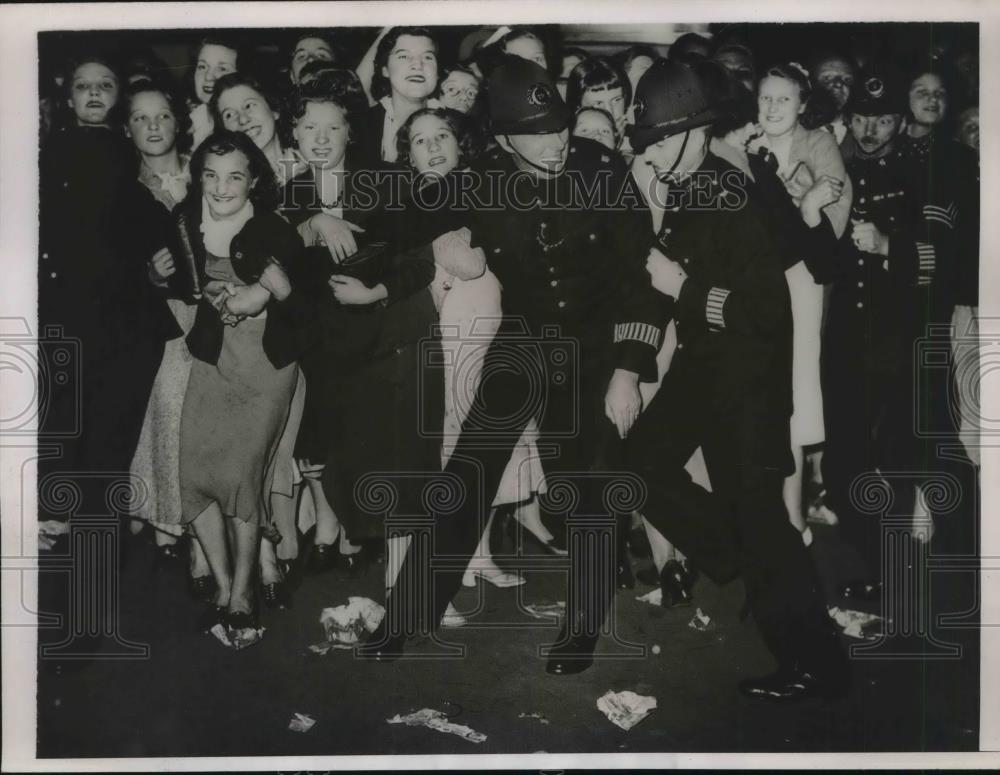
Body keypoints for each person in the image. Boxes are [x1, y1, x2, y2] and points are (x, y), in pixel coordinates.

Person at [359, 56, 666, 675]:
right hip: (524, 339)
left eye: (558, 129)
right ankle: (410, 612)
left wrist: (629, 369)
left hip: (596, 344)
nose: (555, 144)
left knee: (587, 481)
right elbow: (393, 219)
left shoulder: (600, 169)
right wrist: (326, 221)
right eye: (537, 134)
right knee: (469, 471)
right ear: (501, 138)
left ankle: (582, 623)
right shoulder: (483, 175)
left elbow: (642, 280)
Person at [622, 59, 848, 701]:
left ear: (696, 131)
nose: (655, 151)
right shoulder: (686, 183)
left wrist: (684, 288)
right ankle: (736, 557)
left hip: (748, 376)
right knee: (640, 464)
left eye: (664, 138)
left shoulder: (731, 193)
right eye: (648, 141)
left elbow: (764, 311)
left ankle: (816, 668)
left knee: (765, 523)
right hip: (705, 365)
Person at [816, 65, 959, 598]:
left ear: (900, 121)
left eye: (882, 119)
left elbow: (951, 261)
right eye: (860, 119)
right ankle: (876, 564)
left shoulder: (930, 172)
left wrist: (889, 248)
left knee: (901, 460)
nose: (870, 130)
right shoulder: (838, 166)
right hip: (848, 338)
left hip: (902, 339)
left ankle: (906, 578)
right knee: (844, 459)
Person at [169, 130, 307, 646]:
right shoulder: (186, 219)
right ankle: (224, 584)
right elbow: (187, 282)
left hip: (266, 365)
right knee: (196, 469)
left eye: (234, 176)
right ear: (199, 176)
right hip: (212, 358)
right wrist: (207, 289)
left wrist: (266, 291)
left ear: (253, 180)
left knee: (245, 476)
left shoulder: (275, 228)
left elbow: (299, 298)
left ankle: (244, 592)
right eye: (211, 174)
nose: (222, 187)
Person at [122, 78, 216, 593]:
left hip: (221, 311)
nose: (154, 126)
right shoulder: (124, 188)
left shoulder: (206, 173)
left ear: (179, 122)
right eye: (141, 118)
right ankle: (177, 531)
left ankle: (212, 536)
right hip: (166, 320)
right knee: (171, 411)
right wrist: (151, 279)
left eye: (162, 116)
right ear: (128, 128)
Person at [753, 62, 853, 543]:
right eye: (766, 98)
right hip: (750, 284)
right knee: (752, 396)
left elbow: (831, 233)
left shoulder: (820, 145)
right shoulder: (742, 145)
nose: (772, 108)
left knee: (792, 398)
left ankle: (792, 514)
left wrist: (809, 208)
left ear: (802, 105)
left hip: (800, 283)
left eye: (784, 99)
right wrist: (802, 204)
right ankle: (757, 512)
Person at [354, 27, 439, 168]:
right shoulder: (360, 127)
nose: (418, 65)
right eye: (404, 56)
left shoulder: (458, 125)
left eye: (427, 57)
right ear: (385, 70)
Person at [188, 37, 240, 152]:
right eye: (202, 66)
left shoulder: (247, 126)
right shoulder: (189, 123)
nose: (208, 76)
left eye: (222, 68)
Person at [565, 56, 631, 147]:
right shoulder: (566, 142)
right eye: (598, 103)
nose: (610, 111)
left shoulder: (639, 142)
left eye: (617, 100)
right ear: (578, 107)